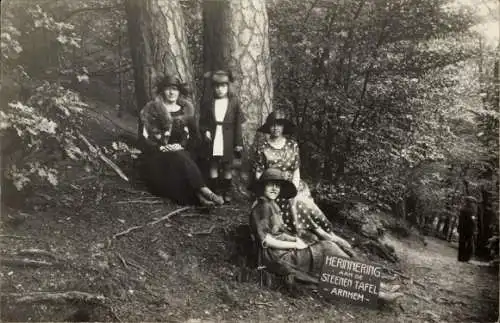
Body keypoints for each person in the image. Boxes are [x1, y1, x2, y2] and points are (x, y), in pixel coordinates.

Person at [249, 168, 403, 302]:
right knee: (327, 249)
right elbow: (267, 240)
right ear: (263, 186)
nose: (275, 188)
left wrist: (295, 239)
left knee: (332, 255)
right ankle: (378, 290)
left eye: (277, 185)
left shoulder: (272, 205)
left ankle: (379, 286)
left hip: (284, 253)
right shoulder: (261, 207)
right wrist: (294, 244)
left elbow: (279, 232)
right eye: (271, 184)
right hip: (277, 258)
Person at [252, 109, 353, 254]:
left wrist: (293, 186)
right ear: (269, 127)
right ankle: (319, 233)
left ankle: (327, 232)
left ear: (283, 127)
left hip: (293, 184)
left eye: (279, 125)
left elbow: (296, 170)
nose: (276, 128)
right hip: (274, 188)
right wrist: (271, 187)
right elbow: (258, 174)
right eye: (273, 125)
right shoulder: (262, 148)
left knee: (302, 199)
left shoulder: (292, 145)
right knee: (295, 201)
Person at [139, 74, 224, 206]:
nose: (172, 92)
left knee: (182, 156)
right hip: (159, 159)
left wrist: (182, 147)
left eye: (175, 89)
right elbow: (143, 139)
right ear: (162, 90)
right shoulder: (152, 110)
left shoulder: (186, 112)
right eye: (168, 89)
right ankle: (204, 191)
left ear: (179, 91)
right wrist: (161, 147)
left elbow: (196, 139)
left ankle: (200, 197)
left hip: (183, 155)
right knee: (178, 156)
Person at [200, 70, 245, 203]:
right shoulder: (208, 103)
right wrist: (206, 131)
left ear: (228, 87)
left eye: (223, 86)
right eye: (217, 86)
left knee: (227, 166)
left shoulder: (234, 102)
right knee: (213, 164)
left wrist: (238, 143)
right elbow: (202, 122)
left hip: (228, 138)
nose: (220, 89)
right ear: (213, 88)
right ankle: (215, 191)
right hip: (213, 138)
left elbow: (238, 124)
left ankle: (227, 190)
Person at [458, 196, 477, 262]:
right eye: (473, 203)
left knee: (462, 243)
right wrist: (474, 229)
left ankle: (460, 258)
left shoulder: (462, 209)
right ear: (470, 202)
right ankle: (465, 258)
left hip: (462, 229)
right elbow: (473, 220)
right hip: (468, 230)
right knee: (469, 245)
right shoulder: (471, 211)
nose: (473, 204)